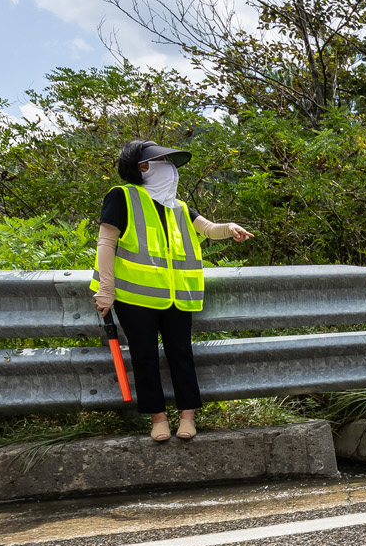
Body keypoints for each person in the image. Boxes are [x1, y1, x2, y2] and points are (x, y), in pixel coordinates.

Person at [92, 140, 254, 442]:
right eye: (162, 162)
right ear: (142, 168)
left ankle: (188, 416)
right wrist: (106, 288)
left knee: (182, 354)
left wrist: (229, 227)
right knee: (145, 357)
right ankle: (158, 419)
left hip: (177, 296)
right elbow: (106, 243)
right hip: (135, 296)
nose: (170, 169)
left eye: (170, 163)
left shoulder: (177, 206)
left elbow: (207, 228)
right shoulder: (122, 197)